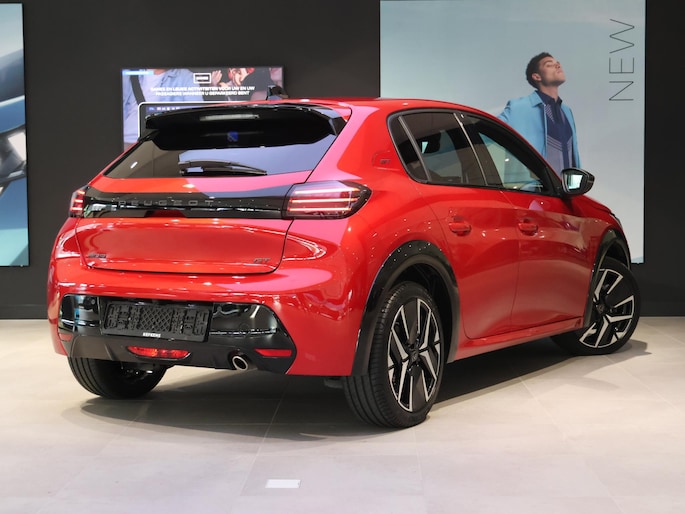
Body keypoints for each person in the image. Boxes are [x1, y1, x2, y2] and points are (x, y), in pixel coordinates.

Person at [498, 52, 580, 174]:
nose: (557, 65)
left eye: (558, 63)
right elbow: (485, 129)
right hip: (533, 185)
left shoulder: (567, 112)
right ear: (537, 76)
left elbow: (573, 156)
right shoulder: (518, 107)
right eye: (549, 64)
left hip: (566, 185)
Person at [122, 68, 203, 148]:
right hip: (128, 142)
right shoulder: (128, 74)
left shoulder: (185, 76)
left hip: (166, 144)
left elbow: (195, 118)